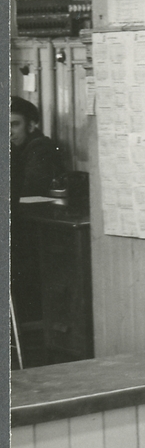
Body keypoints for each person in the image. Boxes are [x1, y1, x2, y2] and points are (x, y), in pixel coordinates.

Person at [10, 97, 64, 329]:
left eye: (14, 124)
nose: (8, 132)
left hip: (36, 232)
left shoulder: (40, 148)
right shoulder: (17, 148)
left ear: (31, 125)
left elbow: (29, 189)